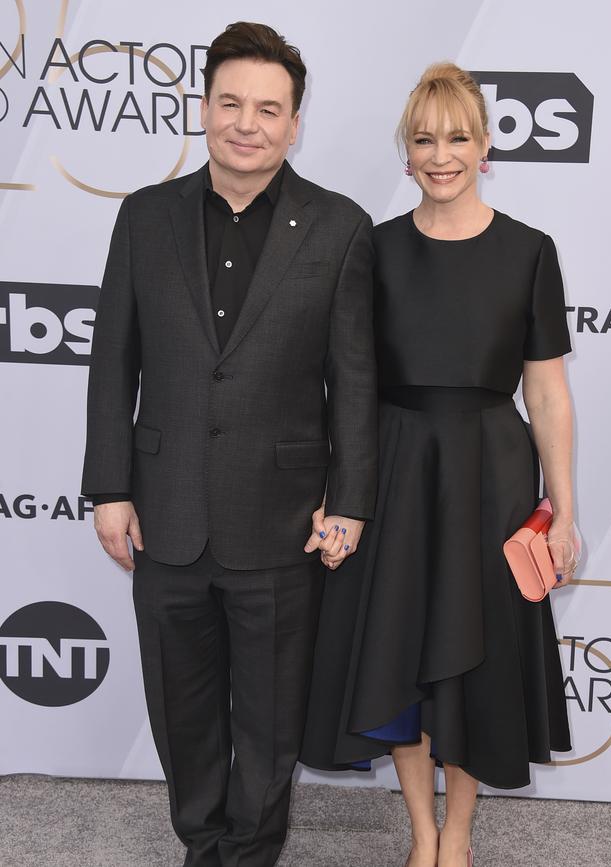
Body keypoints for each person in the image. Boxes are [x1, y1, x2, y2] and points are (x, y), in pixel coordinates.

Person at [81, 22, 377, 867]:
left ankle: (251, 849)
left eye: (269, 109)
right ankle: (201, 841)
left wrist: (349, 500)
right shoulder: (144, 217)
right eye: (231, 103)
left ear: (293, 123)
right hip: (164, 509)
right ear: (202, 107)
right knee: (183, 704)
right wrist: (110, 486)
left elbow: (353, 382)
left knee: (271, 712)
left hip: (281, 519)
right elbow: (114, 361)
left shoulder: (340, 228)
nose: (247, 124)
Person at [300, 62, 575, 867]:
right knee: (399, 658)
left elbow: (549, 396)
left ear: (485, 146)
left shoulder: (530, 252)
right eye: (424, 139)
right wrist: (333, 493)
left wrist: (564, 510)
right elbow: (343, 385)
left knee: (471, 662)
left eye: (457, 137)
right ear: (406, 152)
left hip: (490, 478)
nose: (441, 153)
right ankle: (421, 835)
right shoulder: (371, 249)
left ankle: (458, 837)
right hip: (390, 471)